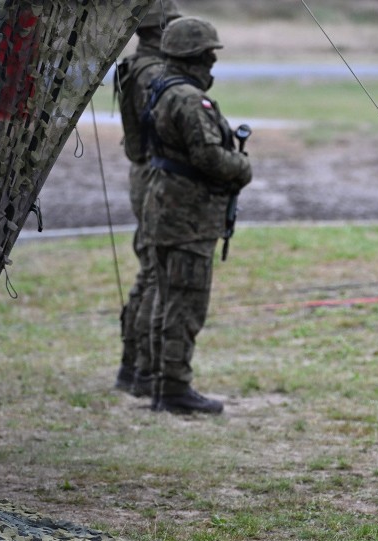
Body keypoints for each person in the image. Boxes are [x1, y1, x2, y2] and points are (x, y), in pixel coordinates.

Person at [140, 16, 252, 414]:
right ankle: (174, 388)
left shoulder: (161, 88)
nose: (212, 64)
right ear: (195, 56)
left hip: (166, 209)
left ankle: (160, 382)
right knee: (184, 305)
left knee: (166, 301)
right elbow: (207, 156)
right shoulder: (189, 99)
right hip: (188, 217)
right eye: (208, 55)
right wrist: (241, 168)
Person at [113, 0, 182, 397]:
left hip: (144, 171)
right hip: (153, 174)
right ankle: (143, 367)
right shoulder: (153, 71)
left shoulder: (140, 65)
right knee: (157, 274)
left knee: (149, 272)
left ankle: (134, 366)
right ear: (160, 28)